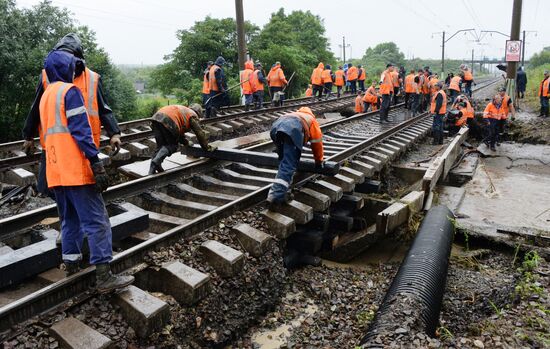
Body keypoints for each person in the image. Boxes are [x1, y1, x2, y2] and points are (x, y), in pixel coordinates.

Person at [39, 50, 134, 291]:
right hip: (76, 170)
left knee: (69, 220)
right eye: (71, 66)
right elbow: (81, 132)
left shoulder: (47, 95)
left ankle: (71, 265)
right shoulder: (69, 92)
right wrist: (96, 161)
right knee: (97, 221)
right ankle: (104, 276)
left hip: (55, 172)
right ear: (64, 69)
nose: (74, 71)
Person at [22, 33, 121, 196]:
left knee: (82, 191)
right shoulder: (46, 76)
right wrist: (28, 136)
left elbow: (103, 108)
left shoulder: (92, 78)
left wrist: (114, 133)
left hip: (84, 145)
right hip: (56, 145)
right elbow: (36, 108)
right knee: (53, 190)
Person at [267, 107, 324, 207]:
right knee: (289, 164)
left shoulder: (294, 114)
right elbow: (317, 143)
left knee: (284, 161)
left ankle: (285, 191)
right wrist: (319, 161)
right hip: (292, 129)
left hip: (276, 127)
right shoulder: (311, 120)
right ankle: (275, 196)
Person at [149, 104, 214, 174]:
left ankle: (152, 169)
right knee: (172, 145)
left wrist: (186, 142)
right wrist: (206, 148)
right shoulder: (192, 115)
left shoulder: (183, 111)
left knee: (161, 146)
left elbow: (179, 135)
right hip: (168, 119)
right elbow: (199, 133)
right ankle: (156, 162)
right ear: (198, 113)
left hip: (156, 118)